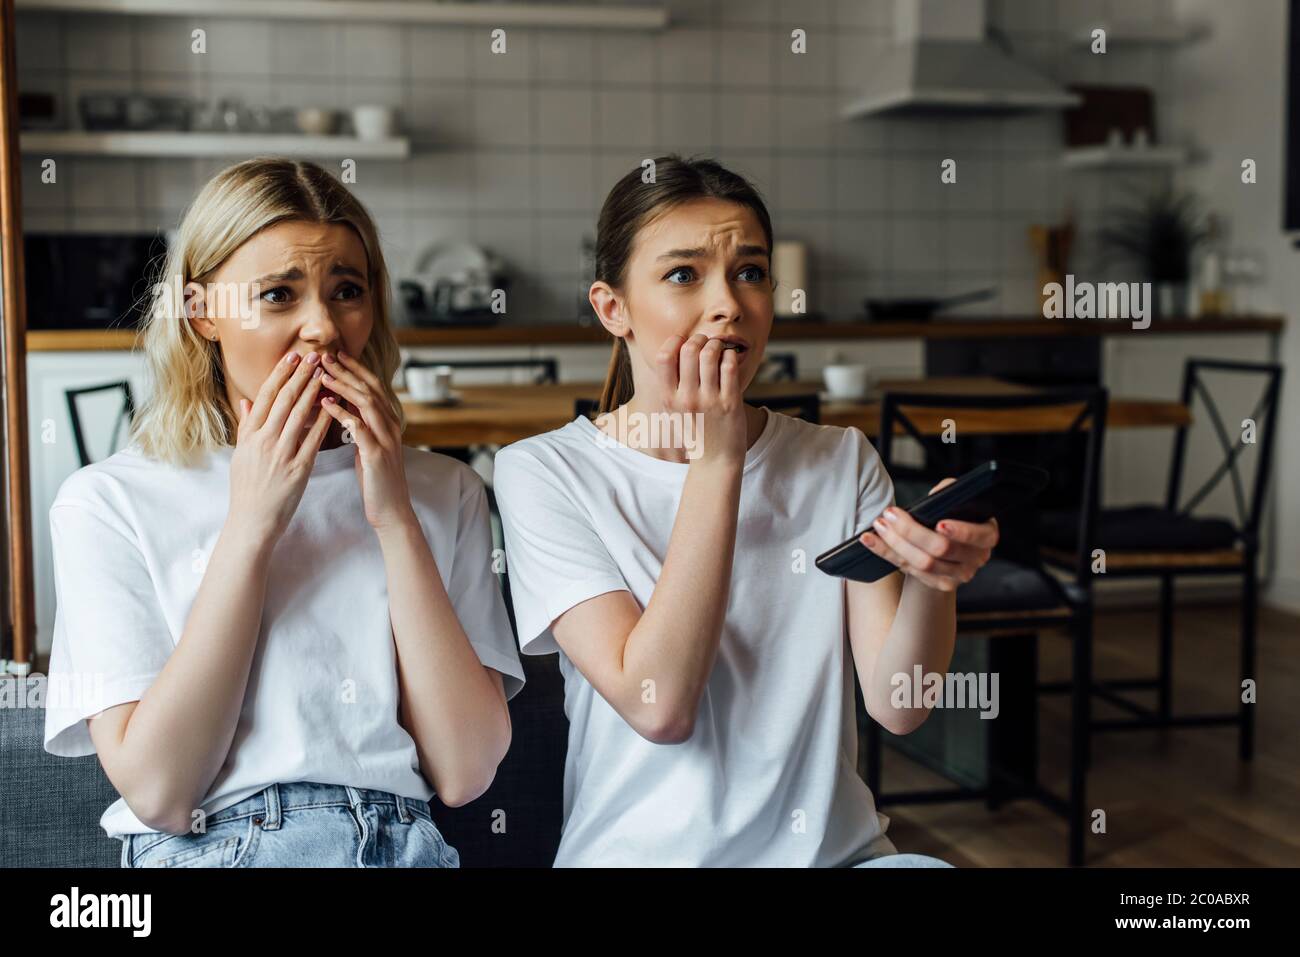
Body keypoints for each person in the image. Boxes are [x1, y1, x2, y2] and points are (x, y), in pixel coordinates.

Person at [493, 155, 997, 867]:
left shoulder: (841, 459)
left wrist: (934, 581)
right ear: (613, 309)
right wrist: (719, 459)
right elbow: (658, 705)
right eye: (683, 274)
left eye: (751, 272)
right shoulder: (544, 471)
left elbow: (900, 703)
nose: (729, 303)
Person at [43, 158, 524, 868]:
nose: (323, 328)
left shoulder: (441, 491)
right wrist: (252, 525)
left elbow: (465, 770)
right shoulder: (106, 502)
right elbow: (161, 790)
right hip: (215, 844)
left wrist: (394, 518)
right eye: (278, 294)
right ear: (201, 311)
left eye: (347, 291)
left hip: (404, 842)